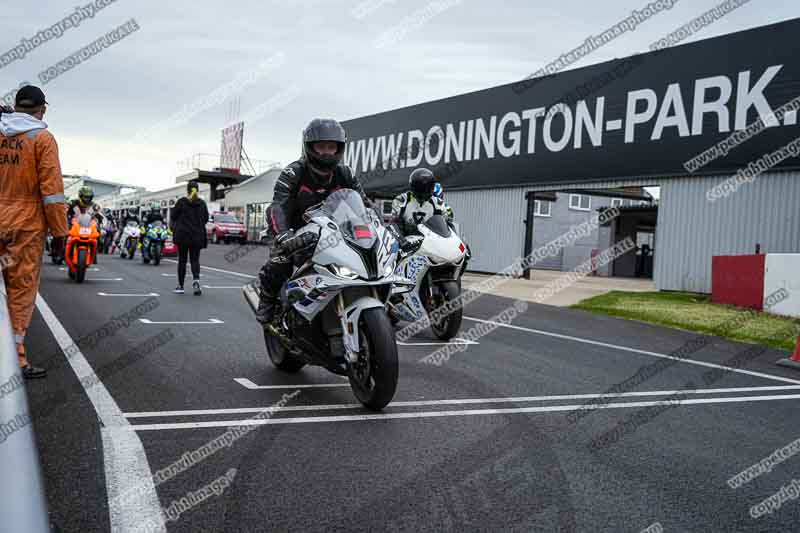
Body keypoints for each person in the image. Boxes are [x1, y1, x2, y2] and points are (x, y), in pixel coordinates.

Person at [255, 118, 374, 325]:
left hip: (333, 233)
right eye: (321, 147)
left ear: (340, 148)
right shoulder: (294, 172)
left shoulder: (345, 173)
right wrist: (284, 236)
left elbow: (365, 206)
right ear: (310, 147)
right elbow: (278, 206)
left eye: (331, 147)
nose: (327, 152)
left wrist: (381, 226)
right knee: (280, 262)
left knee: (368, 260)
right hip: (294, 232)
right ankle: (267, 300)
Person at [0, 85, 68, 379]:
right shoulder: (42, 138)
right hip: (25, 228)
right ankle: (17, 360)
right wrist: (60, 232)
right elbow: (52, 192)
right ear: (43, 109)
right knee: (20, 292)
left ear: (16, 106)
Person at [170, 180, 208, 295]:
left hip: (183, 236)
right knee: (195, 260)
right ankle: (196, 281)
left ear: (187, 190)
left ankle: (180, 286)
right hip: (197, 236)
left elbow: (173, 216)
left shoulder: (181, 202)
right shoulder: (202, 203)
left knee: (182, 260)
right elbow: (205, 218)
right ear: (197, 190)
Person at [391, 168, 454, 237]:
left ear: (432, 188)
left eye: (427, 189)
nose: (424, 192)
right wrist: (401, 240)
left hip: (431, 243)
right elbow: (393, 224)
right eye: (420, 188)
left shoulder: (439, 204)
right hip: (405, 242)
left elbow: (449, 225)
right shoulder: (402, 200)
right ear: (412, 187)